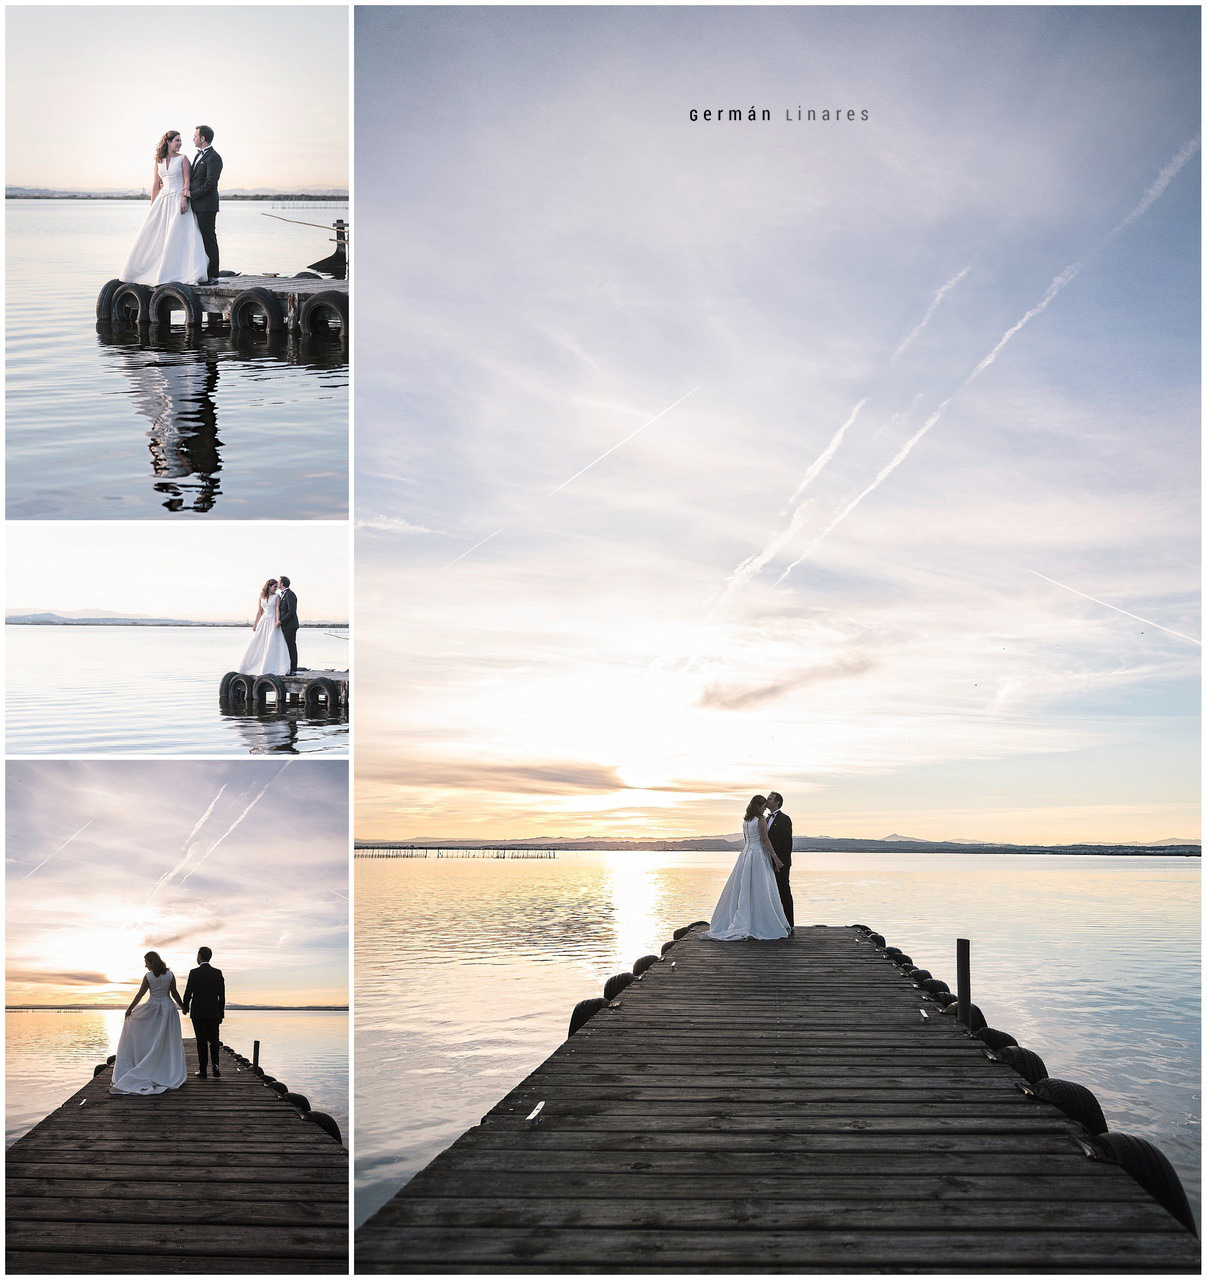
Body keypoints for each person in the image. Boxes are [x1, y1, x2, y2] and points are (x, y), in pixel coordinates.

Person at [120, 130, 209, 287]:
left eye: (181, 140)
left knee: (177, 236)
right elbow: (155, 184)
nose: (180, 143)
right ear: (168, 142)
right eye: (177, 140)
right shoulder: (158, 161)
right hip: (162, 200)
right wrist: (153, 206)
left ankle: (178, 272)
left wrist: (183, 199)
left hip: (178, 200)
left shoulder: (183, 159)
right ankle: (148, 270)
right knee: (156, 236)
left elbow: (187, 182)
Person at [704, 795, 790, 941]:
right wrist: (775, 857)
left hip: (746, 854)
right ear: (758, 806)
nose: (764, 808)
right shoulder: (761, 820)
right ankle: (760, 922)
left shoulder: (746, 820)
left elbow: (746, 840)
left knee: (745, 888)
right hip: (758, 856)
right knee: (761, 888)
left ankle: (746, 920)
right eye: (763, 805)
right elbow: (764, 840)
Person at [109, 951, 187, 1095]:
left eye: (146, 962)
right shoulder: (170, 974)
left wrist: (130, 1009)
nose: (145, 965)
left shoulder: (149, 976)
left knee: (152, 1038)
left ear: (152, 962)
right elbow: (174, 993)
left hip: (153, 1009)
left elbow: (140, 994)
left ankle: (150, 1063)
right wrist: (182, 1006)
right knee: (166, 1040)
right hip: (168, 1009)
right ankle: (166, 1067)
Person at [182, 946, 226, 1079]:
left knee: (201, 1042)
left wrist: (185, 1007)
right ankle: (215, 1066)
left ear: (200, 956)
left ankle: (203, 1071)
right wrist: (221, 1013)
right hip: (213, 1012)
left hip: (198, 1012)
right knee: (214, 1040)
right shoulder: (217, 973)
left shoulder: (194, 973)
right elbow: (222, 996)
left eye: (197, 955)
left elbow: (188, 992)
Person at [238, 579, 291, 676]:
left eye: (276, 586)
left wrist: (277, 621)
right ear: (269, 587)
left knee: (272, 643)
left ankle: (270, 667)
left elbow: (276, 609)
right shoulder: (261, 597)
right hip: (263, 621)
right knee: (259, 643)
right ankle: (254, 665)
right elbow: (259, 612)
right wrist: (255, 624)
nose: (276, 589)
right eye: (274, 587)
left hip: (272, 621)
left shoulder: (276, 596)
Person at [191, 125, 223, 281]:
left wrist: (192, 194)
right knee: (198, 239)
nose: (193, 138)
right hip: (196, 205)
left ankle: (213, 275)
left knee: (208, 238)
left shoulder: (214, 157)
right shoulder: (198, 156)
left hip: (206, 206)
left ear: (202, 138)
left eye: (195, 136)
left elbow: (211, 183)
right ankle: (200, 271)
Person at [766, 791, 794, 928]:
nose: (767, 801)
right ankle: (774, 923)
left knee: (783, 891)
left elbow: (787, 843)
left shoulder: (784, 819)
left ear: (777, 802)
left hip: (781, 863)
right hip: (766, 861)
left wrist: (780, 862)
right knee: (770, 893)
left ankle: (789, 923)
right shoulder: (765, 820)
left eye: (770, 799)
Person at [278, 576, 299, 675]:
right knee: (286, 646)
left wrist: (281, 621)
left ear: (282, 584)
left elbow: (292, 612)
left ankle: (293, 669)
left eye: (278, 582)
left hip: (290, 625)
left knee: (291, 646)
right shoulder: (283, 594)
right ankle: (287, 667)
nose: (277, 583)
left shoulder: (290, 595)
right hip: (285, 625)